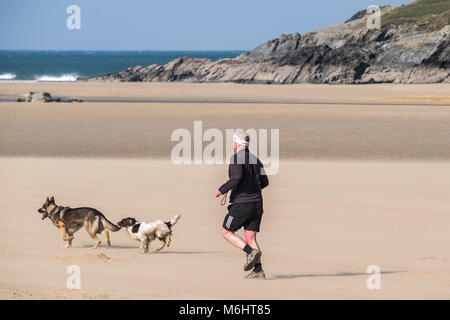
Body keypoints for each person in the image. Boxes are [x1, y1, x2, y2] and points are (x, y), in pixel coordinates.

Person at [215, 130, 269, 279]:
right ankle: (258, 271)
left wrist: (221, 190)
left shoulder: (236, 158)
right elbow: (265, 182)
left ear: (236, 143)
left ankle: (249, 252)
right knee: (251, 237)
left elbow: (236, 177)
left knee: (226, 232)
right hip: (258, 203)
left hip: (242, 204)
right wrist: (251, 189)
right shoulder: (255, 159)